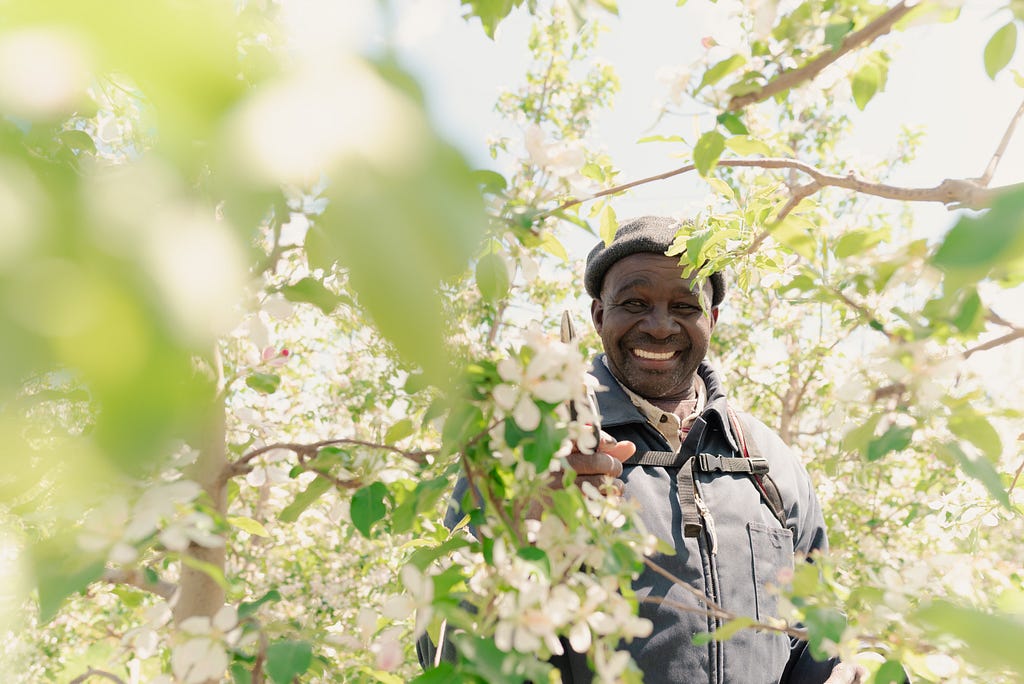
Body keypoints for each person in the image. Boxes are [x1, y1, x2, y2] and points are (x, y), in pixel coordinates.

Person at [422, 216, 867, 683]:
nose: (659, 327)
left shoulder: (770, 461)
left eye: (685, 305)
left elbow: (811, 634)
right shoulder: (527, 452)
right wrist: (521, 532)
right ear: (598, 316)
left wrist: (851, 667)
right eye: (634, 302)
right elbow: (442, 654)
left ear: (711, 319)